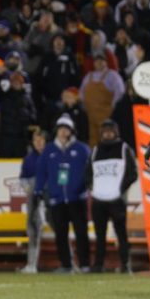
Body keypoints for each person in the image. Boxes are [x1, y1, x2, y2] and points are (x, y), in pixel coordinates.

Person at [36, 114, 92, 273]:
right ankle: (66, 265)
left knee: (81, 232)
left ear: (71, 131)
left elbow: (90, 171)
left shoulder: (82, 149)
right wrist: (38, 190)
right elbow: (41, 172)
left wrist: (85, 187)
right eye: (60, 129)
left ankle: (85, 264)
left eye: (66, 129)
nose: (62, 132)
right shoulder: (49, 150)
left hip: (77, 198)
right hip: (57, 199)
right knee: (60, 234)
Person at [87, 119, 137, 273]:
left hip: (116, 200)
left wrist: (120, 189)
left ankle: (125, 264)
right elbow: (88, 174)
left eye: (111, 130)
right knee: (99, 235)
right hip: (99, 200)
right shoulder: (95, 150)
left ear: (116, 132)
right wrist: (93, 189)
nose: (108, 133)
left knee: (121, 234)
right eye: (105, 130)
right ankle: (99, 264)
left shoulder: (124, 148)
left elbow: (132, 173)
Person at [17, 129, 48, 274]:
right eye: (36, 140)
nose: (39, 143)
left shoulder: (52, 155)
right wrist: (30, 189)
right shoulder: (29, 159)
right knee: (33, 229)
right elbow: (23, 179)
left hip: (51, 197)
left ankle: (69, 262)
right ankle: (32, 264)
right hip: (34, 197)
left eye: (41, 140)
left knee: (61, 229)